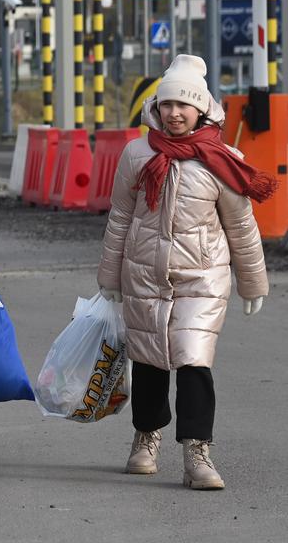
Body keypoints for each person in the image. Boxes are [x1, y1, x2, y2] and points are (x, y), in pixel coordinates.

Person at [97, 54, 276, 490]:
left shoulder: (223, 159)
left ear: (202, 108)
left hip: (202, 278)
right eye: (167, 105)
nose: (174, 113)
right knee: (150, 361)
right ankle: (146, 438)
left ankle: (198, 452)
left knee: (194, 361)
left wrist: (253, 282)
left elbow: (241, 226)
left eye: (184, 105)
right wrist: (110, 279)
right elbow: (120, 217)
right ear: (155, 108)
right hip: (144, 274)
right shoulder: (137, 154)